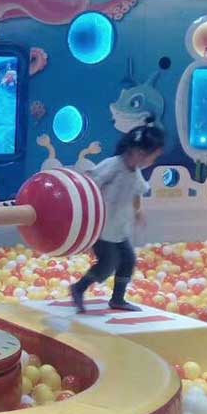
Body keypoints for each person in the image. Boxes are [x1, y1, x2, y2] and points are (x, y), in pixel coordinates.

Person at [69, 122, 165, 313]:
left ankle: (118, 299)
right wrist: (86, 220)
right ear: (138, 152)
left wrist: (138, 210)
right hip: (102, 229)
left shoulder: (135, 172)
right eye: (152, 157)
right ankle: (79, 288)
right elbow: (91, 183)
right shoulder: (113, 166)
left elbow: (137, 192)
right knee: (108, 264)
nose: (152, 162)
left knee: (128, 260)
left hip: (119, 229)